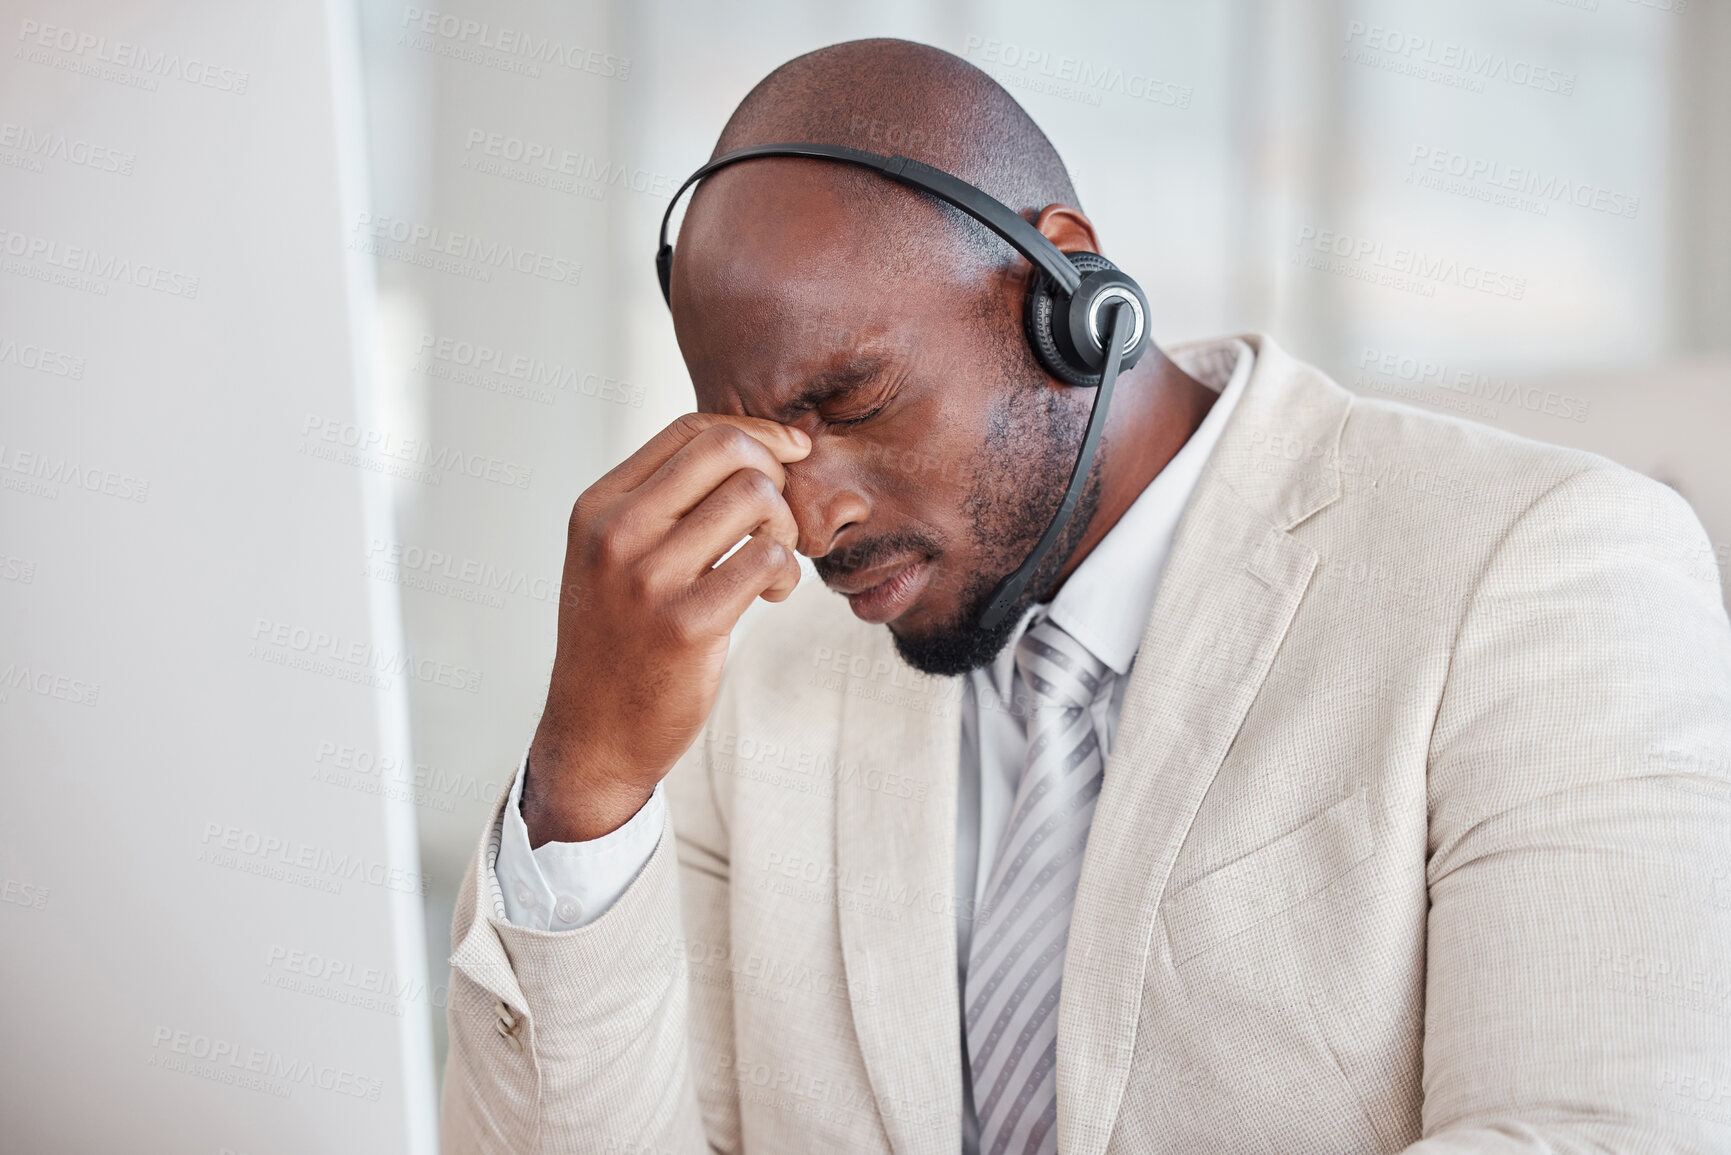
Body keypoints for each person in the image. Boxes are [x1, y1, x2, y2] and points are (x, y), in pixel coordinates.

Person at [439, 38, 1731, 1155]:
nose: (812, 515)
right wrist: (588, 788)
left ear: (1067, 294)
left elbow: (1596, 1132)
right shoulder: (747, 667)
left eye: (853, 403)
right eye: (758, 438)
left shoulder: (1543, 566)